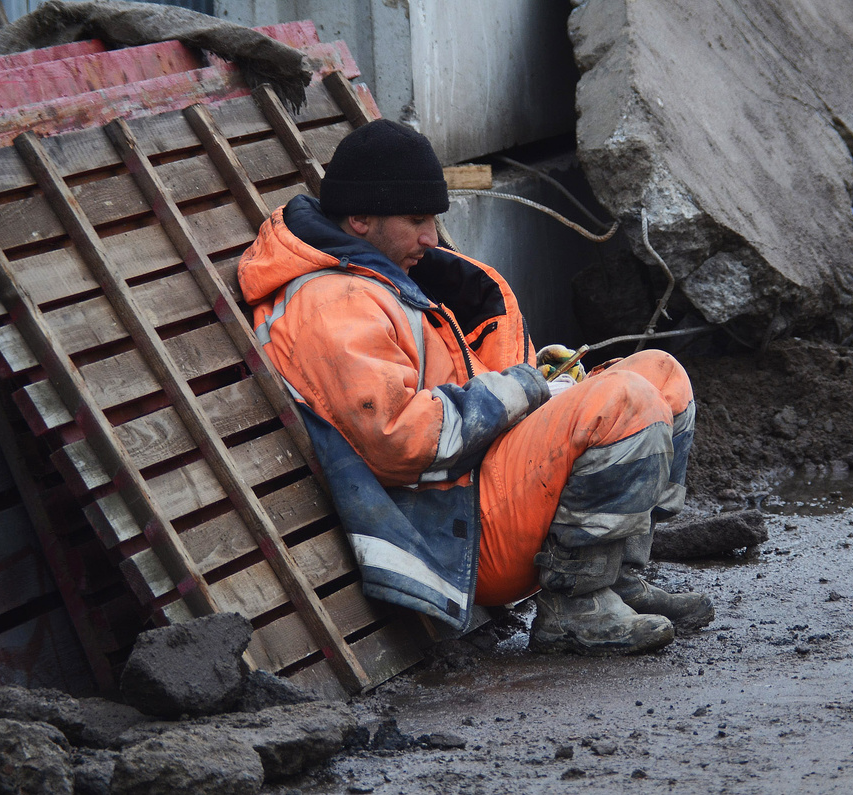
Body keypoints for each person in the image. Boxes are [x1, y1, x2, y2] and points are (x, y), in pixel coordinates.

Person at [238, 119, 713, 655]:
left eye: (434, 220)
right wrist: (524, 390)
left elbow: (463, 386)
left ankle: (615, 578)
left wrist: (540, 384)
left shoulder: (383, 281)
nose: (430, 238)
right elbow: (399, 442)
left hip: (480, 484)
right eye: (416, 220)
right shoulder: (332, 304)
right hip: (457, 533)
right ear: (360, 219)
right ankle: (576, 608)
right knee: (625, 402)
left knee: (659, 373)